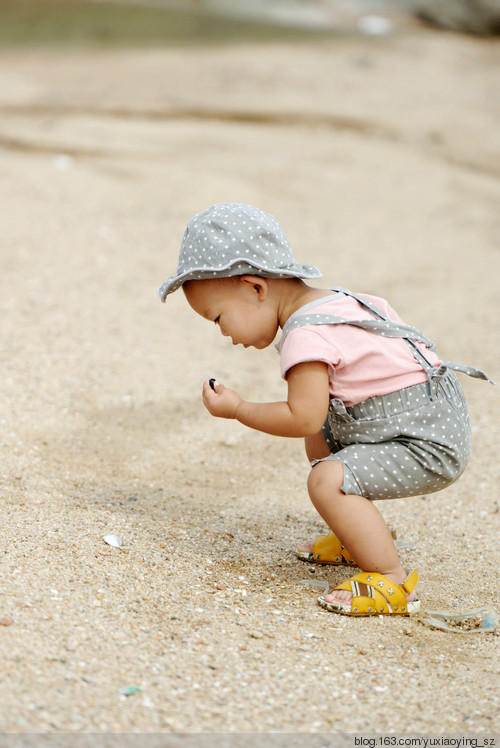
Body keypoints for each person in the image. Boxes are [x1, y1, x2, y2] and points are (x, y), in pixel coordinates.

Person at [158, 203, 492, 617]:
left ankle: (389, 579)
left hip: (424, 441)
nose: (224, 333)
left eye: (219, 318)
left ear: (255, 288)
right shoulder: (337, 302)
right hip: (432, 416)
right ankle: (357, 537)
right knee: (320, 448)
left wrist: (239, 408)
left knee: (325, 479)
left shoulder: (306, 335)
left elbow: (303, 416)